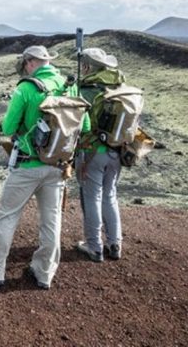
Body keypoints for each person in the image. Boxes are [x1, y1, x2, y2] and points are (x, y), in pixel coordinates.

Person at [0, 45, 73, 290]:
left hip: (28, 164)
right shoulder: (70, 87)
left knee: (7, 216)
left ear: (29, 63)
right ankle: (43, 273)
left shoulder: (26, 88)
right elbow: (85, 126)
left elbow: (8, 128)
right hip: (58, 165)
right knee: (51, 220)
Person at [74, 47, 125, 262]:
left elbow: (79, 124)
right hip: (117, 151)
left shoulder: (86, 91)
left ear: (86, 67)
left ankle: (94, 246)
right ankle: (115, 244)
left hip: (91, 152)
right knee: (110, 195)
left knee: (92, 196)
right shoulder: (119, 86)